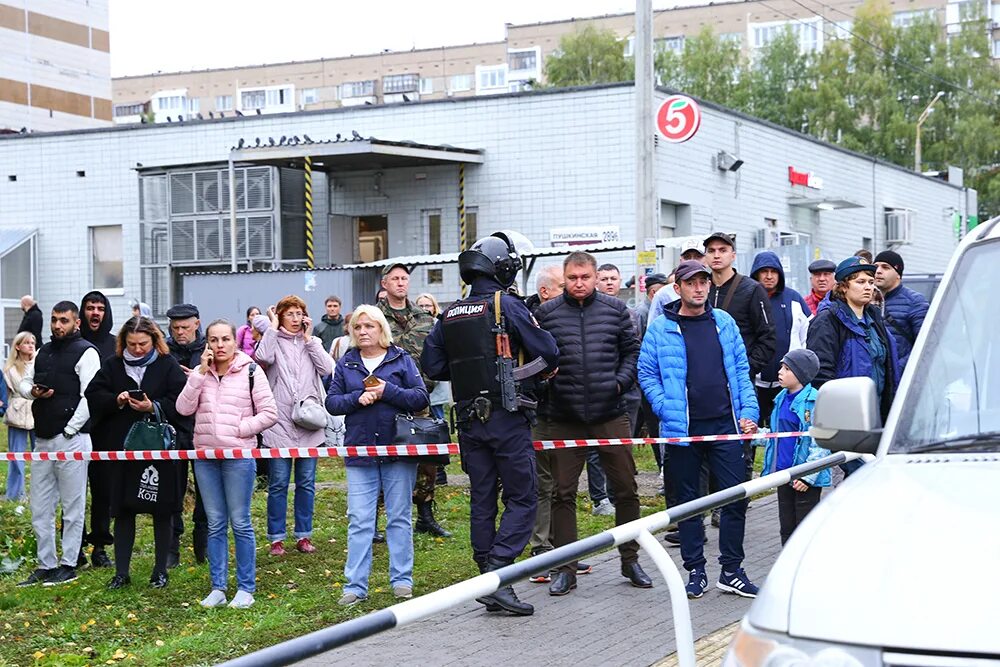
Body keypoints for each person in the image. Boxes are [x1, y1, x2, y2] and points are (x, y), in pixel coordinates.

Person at [422, 232, 559, 616]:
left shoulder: (449, 312)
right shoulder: (507, 305)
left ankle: (487, 578)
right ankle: (497, 572)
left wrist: (471, 371)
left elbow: (431, 366)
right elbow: (548, 351)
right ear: (503, 267)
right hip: (506, 417)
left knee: (482, 498)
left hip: (468, 420)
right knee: (523, 497)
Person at [638, 260, 761, 600]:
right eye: (691, 283)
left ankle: (732, 570)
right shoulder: (661, 328)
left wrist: (749, 412)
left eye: (704, 282)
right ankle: (695, 571)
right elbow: (646, 373)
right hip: (683, 431)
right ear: (677, 288)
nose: (699, 288)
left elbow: (740, 370)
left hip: (725, 426)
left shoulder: (724, 322)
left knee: (734, 498)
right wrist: (666, 407)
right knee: (687, 503)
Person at [534, 250, 653, 597]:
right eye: (572, 278)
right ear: (564, 279)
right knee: (562, 493)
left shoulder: (616, 311)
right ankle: (565, 567)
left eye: (585, 277)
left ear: (596, 276)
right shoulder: (547, 314)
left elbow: (633, 352)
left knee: (627, 488)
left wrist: (619, 382)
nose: (579, 283)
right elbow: (538, 360)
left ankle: (630, 558)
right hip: (564, 417)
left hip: (610, 413)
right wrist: (548, 386)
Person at [326, 305, 429, 606]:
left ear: (381, 328)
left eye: (369, 326)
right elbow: (332, 403)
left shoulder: (401, 358)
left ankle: (402, 580)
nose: (363, 332)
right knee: (360, 520)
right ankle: (355, 585)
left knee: (399, 517)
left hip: (397, 450)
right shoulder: (346, 363)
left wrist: (388, 391)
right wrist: (357, 399)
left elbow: (420, 397)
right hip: (360, 451)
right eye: (358, 327)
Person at [176, 319, 278, 609]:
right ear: (207, 343)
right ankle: (218, 587)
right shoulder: (201, 374)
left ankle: (246, 588)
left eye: (225, 339)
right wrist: (198, 374)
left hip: (238, 457)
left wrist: (240, 429)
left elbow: (270, 413)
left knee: (241, 522)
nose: (220, 345)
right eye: (214, 340)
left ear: (235, 342)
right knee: (216, 523)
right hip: (206, 457)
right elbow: (183, 409)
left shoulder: (250, 371)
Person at [86, 317, 187, 589]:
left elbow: (182, 401)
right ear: (123, 343)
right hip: (122, 448)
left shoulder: (168, 366)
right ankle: (121, 573)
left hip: (160, 448)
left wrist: (152, 407)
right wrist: (116, 400)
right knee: (123, 508)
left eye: (143, 343)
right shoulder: (112, 364)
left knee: (162, 509)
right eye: (132, 344)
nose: (138, 349)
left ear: (155, 341)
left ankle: (160, 570)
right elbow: (93, 394)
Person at [16, 301, 100, 587]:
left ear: (76, 323)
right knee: (40, 505)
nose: (56, 325)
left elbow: (92, 396)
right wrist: (34, 392)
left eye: (63, 320)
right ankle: (46, 563)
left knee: (73, 506)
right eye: (54, 320)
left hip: (72, 439)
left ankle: (69, 563)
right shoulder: (43, 351)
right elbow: (24, 384)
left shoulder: (87, 351)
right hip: (42, 438)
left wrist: (69, 430)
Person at [252, 296, 333, 556]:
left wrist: (310, 340)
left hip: (309, 422)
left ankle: (303, 535)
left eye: (300, 314)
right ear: (282, 316)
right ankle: (276, 538)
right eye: (291, 314)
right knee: (278, 483)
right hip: (279, 423)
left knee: (306, 482)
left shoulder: (313, 342)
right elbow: (261, 357)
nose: (296, 319)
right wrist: (273, 326)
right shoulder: (272, 339)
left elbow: (328, 369)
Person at [807, 257, 900, 474]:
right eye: (860, 282)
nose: (868, 286)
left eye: (870, 281)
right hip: (848, 419)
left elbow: (888, 366)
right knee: (864, 475)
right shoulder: (827, 321)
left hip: (878, 414)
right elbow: (821, 375)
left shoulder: (874, 319)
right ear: (843, 286)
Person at [378, 264, 450, 538]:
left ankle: (425, 516)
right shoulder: (375, 317)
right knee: (382, 459)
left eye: (404, 278)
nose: (400, 283)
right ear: (385, 283)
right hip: (384, 401)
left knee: (426, 459)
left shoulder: (423, 318)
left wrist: (425, 385)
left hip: (419, 399)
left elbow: (436, 356)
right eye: (395, 278)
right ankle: (374, 522)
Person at [760, 349, 830, 545]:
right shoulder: (780, 398)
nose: (780, 372)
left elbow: (821, 442)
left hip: (805, 478)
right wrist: (754, 434)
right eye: (781, 367)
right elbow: (776, 433)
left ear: (801, 374)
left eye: (787, 368)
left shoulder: (815, 401)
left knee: (804, 532)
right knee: (787, 529)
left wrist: (807, 475)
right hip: (785, 475)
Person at [165, 304, 208, 566]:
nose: (180, 332)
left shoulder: (209, 350)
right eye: (175, 328)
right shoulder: (164, 353)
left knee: (206, 490)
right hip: (173, 428)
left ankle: (202, 544)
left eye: (184, 327)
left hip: (203, 428)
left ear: (196, 324)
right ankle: (172, 548)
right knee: (173, 490)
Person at [749, 251, 810, 425]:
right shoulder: (748, 297)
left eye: (773, 271)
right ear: (756, 273)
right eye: (764, 271)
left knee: (787, 429)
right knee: (750, 431)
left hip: (788, 383)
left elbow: (808, 335)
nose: (769, 276)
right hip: (754, 381)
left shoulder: (794, 298)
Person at [78, 290, 117, 568]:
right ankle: (75, 545)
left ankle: (100, 545)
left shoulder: (115, 346)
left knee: (103, 491)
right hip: (75, 430)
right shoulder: (73, 344)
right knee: (75, 492)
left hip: (105, 429)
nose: (95, 313)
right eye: (90, 307)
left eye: (100, 308)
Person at [873, 250, 929, 370]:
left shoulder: (915, 301)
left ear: (898, 274)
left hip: (901, 379)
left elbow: (925, 345)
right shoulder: (866, 300)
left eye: (885, 267)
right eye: (875, 266)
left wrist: (897, 369)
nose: (878, 271)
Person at [5, 332, 35, 502]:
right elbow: (6, 393)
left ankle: (42, 493)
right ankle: (15, 494)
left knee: (42, 455)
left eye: (33, 342)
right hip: (17, 413)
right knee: (16, 456)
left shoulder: (39, 363)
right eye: (26, 343)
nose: (30, 345)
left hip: (37, 413)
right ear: (18, 346)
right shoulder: (9, 369)